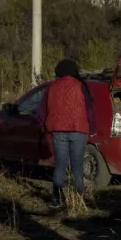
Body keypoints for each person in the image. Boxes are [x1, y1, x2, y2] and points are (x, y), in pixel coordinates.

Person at [39, 58, 97, 209]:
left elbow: (42, 110)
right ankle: (78, 199)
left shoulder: (52, 87)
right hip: (79, 129)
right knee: (77, 166)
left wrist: (44, 126)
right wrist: (93, 128)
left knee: (60, 166)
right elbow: (89, 109)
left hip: (58, 130)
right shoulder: (81, 86)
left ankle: (57, 199)